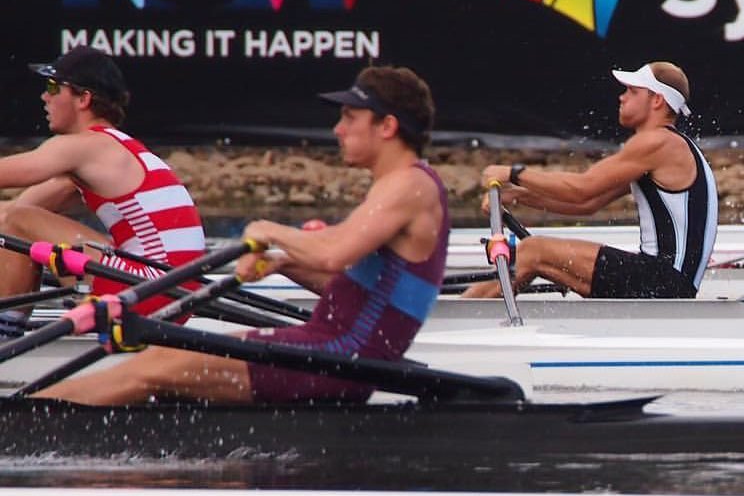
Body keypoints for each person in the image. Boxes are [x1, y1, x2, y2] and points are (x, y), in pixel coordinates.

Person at [36, 65, 448, 405]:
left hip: (340, 359)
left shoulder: (408, 186)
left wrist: (267, 230)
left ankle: (28, 422)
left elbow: (334, 253)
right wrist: (286, 264)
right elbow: (360, 288)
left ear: (388, 126)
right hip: (332, 350)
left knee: (152, 368)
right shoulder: (402, 186)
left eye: (350, 118)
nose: (338, 129)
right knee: (164, 360)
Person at [462, 61, 717, 299]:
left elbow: (581, 189)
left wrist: (514, 173)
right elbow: (586, 206)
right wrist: (520, 195)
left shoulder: (658, 142)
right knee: (532, 252)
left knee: (533, 250)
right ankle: (474, 308)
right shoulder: (672, 146)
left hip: (662, 281)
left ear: (657, 100)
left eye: (631, 91)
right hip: (668, 282)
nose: (622, 97)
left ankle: (463, 317)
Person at [0, 46, 205, 340]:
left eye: (53, 87)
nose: (44, 97)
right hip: (176, 292)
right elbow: (10, 217)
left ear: (84, 99)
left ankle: (5, 338)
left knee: (19, 219)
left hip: (146, 289)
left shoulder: (86, 145)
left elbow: (15, 207)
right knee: (16, 221)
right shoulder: (110, 151)